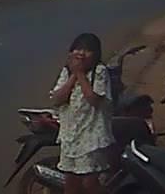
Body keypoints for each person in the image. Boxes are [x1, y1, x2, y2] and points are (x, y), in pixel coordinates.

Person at [49, 32, 115, 194]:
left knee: (90, 184)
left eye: (87, 50)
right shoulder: (66, 72)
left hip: (91, 137)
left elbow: (94, 100)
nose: (81, 53)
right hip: (70, 137)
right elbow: (57, 99)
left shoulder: (99, 72)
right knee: (70, 184)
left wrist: (80, 74)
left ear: (95, 54)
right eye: (77, 49)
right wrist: (73, 75)